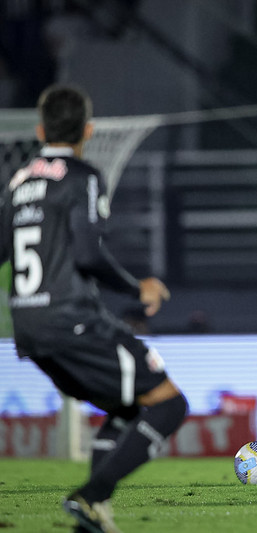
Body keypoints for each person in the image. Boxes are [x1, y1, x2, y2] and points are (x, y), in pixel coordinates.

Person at [0, 84, 187, 532]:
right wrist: (136, 288)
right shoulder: (83, 177)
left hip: (28, 329)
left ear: (40, 129)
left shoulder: (19, 182)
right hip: (72, 321)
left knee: (126, 410)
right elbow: (87, 255)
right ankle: (90, 498)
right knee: (168, 406)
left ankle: (95, 515)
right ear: (89, 129)